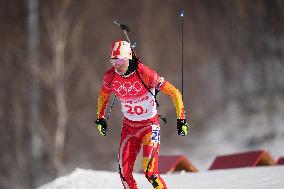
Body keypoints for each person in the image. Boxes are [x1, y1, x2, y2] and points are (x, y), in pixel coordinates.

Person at [95, 40, 189, 189]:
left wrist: (181, 119)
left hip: (149, 127)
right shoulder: (110, 77)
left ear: (129, 57)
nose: (116, 65)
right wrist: (100, 118)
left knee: (150, 172)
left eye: (120, 60)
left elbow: (175, 93)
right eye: (113, 61)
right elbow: (103, 97)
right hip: (129, 129)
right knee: (124, 173)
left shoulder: (145, 73)